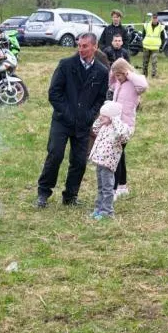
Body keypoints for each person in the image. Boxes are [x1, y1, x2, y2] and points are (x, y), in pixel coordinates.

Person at [37, 33, 109, 208]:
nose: (81, 49)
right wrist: (67, 113)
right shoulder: (66, 65)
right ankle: (43, 193)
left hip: (83, 124)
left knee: (79, 161)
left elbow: (100, 99)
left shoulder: (101, 71)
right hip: (62, 121)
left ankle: (70, 196)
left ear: (94, 47)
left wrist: (90, 116)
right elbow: (54, 93)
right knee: (55, 155)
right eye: (79, 46)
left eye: (85, 46)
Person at [109, 58, 148, 198]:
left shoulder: (133, 84)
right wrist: (113, 73)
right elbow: (110, 84)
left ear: (125, 72)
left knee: (116, 156)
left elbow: (143, 85)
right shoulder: (118, 84)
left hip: (125, 126)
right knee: (120, 155)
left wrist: (129, 74)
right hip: (116, 124)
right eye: (116, 76)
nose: (117, 78)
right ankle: (122, 185)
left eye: (119, 75)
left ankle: (113, 190)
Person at [89, 101, 132, 220]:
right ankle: (98, 209)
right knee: (100, 188)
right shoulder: (104, 127)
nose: (100, 117)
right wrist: (101, 118)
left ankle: (107, 212)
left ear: (112, 117)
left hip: (108, 164)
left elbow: (123, 135)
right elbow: (95, 129)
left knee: (108, 189)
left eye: (104, 115)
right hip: (99, 162)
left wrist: (115, 120)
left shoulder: (119, 128)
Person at [141, 13, 165, 79]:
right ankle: (144, 75)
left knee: (154, 62)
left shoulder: (161, 27)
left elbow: (163, 38)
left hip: (155, 48)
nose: (154, 19)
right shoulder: (146, 25)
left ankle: (153, 76)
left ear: (157, 19)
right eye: (153, 18)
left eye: (155, 18)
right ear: (151, 18)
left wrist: (161, 46)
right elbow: (143, 35)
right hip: (146, 47)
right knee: (145, 62)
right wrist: (142, 43)